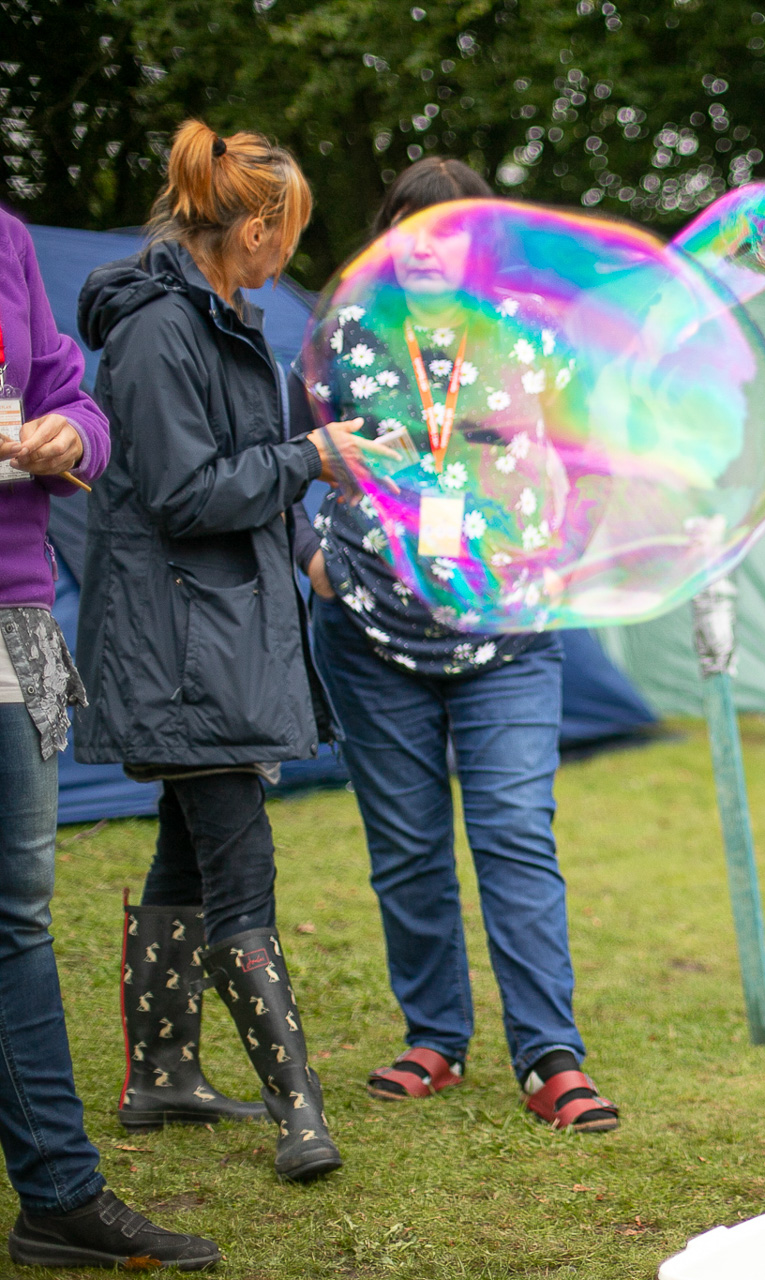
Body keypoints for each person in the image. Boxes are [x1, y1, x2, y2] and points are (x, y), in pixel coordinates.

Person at [75, 120, 372, 1184]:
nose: (289, 249)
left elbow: (241, 474)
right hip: (183, 643)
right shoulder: (160, 333)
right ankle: (302, 1115)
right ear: (249, 226)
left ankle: (161, 1073)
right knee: (240, 866)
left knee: (188, 848)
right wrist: (308, 457)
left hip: (220, 629)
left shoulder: (226, 319)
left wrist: (310, 486)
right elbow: (183, 491)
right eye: (284, 229)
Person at [299, 156, 619, 1132]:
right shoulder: (342, 335)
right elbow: (272, 454)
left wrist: (565, 554)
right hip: (365, 630)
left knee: (516, 835)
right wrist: (307, 555)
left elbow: (594, 462)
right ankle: (435, 1035)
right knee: (406, 846)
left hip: (510, 635)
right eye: (410, 224)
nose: (430, 243)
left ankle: (549, 1055)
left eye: (454, 226)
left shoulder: (539, 340)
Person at [0, 206, 221, 1270]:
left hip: (14, 620)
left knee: (16, 915)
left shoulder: (3, 238)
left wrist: (69, 434)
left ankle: (58, 1193)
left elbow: (69, 394)